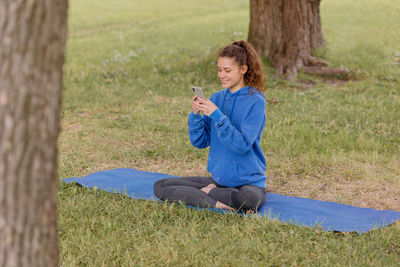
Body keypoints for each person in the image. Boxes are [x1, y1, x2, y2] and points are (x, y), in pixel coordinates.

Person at [154, 40, 267, 211]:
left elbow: (242, 145)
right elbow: (200, 142)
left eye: (227, 70)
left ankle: (207, 194)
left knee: (249, 199)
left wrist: (218, 116)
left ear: (243, 70)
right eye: (219, 70)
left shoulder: (256, 102)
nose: (222, 75)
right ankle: (217, 200)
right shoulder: (217, 98)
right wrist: (195, 115)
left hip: (247, 183)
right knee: (161, 185)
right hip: (219, 181)